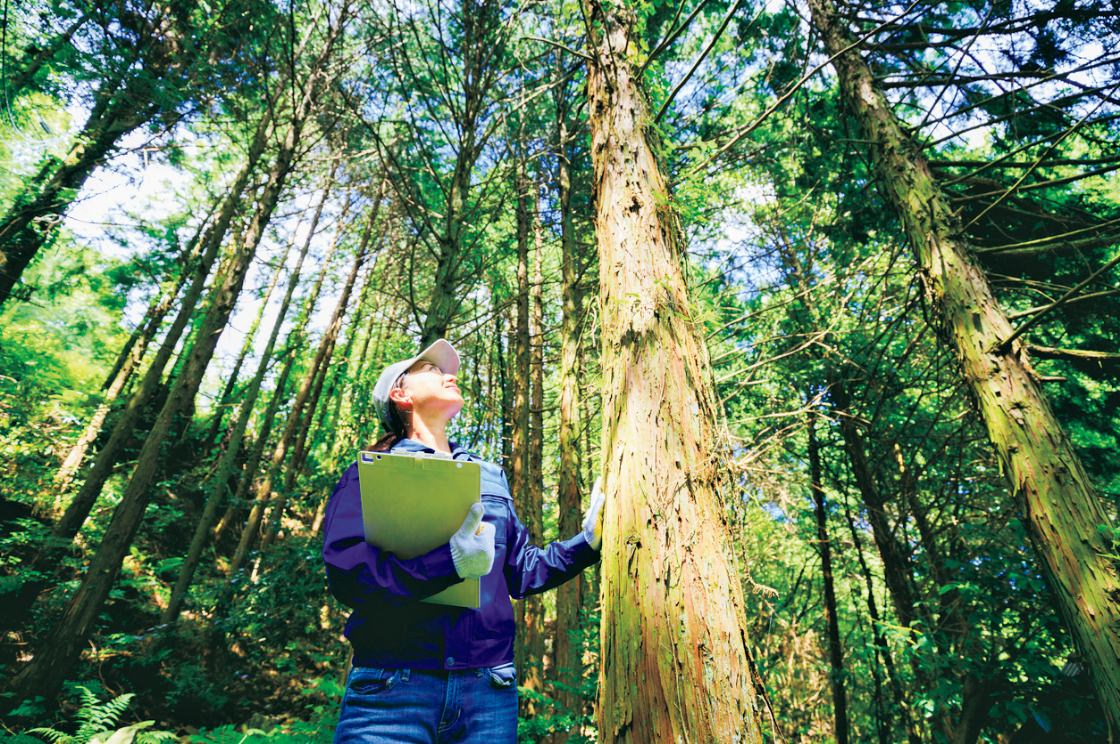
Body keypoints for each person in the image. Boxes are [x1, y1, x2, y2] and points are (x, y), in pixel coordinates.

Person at [322, 338, 605, 743]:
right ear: (401, 395)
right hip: (391, 688)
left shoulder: (489, 475)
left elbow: (522, 572)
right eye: (433, 371)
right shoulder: (367, 474)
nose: (449, 375)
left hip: (487, 691)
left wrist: (587, 543)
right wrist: (449, 563)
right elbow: (348, 572)